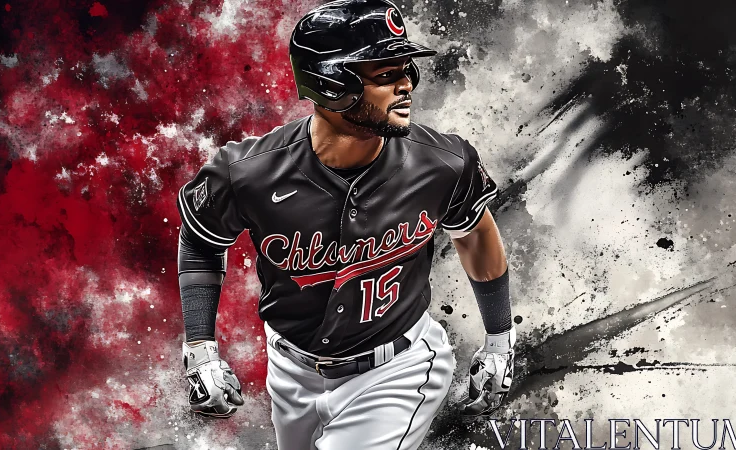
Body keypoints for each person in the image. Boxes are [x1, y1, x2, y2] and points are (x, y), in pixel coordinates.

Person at [176, 1, 515, 448]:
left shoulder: (444, 162)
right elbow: (202, 241)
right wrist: (201, 350)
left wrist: (499, 340)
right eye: (384, 74)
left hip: (399, 368)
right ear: (331, 84)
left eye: (406, 69)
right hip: (289, 371)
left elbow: (474, 235)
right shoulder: (246, 172)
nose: (406, 85)